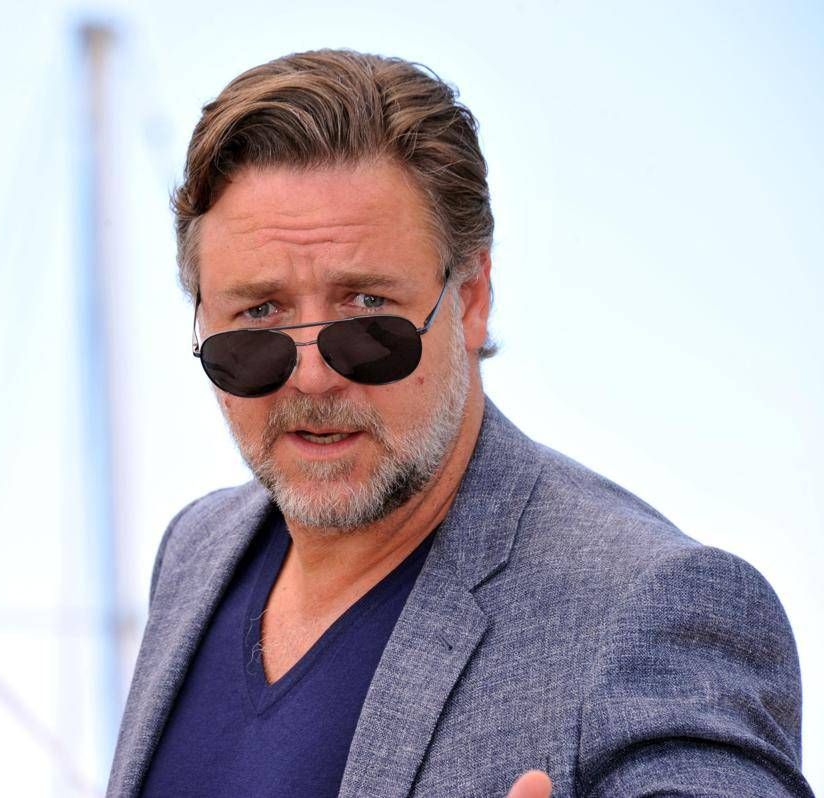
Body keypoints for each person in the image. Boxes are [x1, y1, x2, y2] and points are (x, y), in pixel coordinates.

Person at [107, 49, 812, 797]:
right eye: (258, 316)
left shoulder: (653, 606)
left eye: (368, 310)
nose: (312, 376)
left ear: (471, 299)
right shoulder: (196, 551)